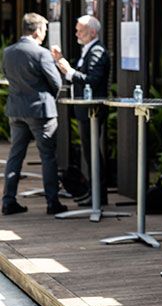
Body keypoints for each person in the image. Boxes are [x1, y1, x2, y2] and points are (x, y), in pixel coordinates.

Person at [2, 14, 66, 216]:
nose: (45, 34)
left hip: (16, 110)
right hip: (40, 111)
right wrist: (48, 98)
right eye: (44, 30)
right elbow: (56, 82)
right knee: (47, 156)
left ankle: (8, 201)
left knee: (15, 155)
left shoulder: (8, 52)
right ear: (37, 31)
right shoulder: (41, 53)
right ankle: (52, 202)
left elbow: (8, 76)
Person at [51, 15, 110, 206]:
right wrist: (62, 63)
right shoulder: (87, 50)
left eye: (80, 31)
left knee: (93, 153)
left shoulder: (97, 51)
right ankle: (94, 193)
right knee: (89, 153)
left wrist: (69, 71)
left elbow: (92, 80)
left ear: (92, 32)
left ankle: (99, 195)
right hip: (84, 109)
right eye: (76, 30)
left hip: (92, 110)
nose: (77, 34)